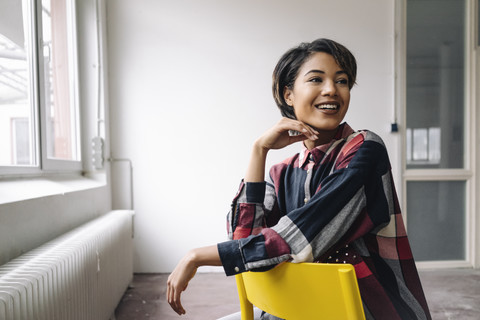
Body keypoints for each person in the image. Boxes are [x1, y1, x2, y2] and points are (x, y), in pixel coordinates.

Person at [167, 38, 432, 320]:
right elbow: (243, 238)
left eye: (342, 81)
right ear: (288, 95)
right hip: (299, 305)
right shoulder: (282, 171)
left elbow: (298, 239)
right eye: (316, 79)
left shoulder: (366, 150)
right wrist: (259, 150)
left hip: (367, 308)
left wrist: (197, 256)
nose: (331, 90)